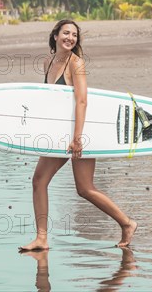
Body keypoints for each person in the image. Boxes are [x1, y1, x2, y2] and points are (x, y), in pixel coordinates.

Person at [19, 19, 137, 252]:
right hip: (60, 132)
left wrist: (77, 137)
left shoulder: (77, 64)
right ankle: (41, 238)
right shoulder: (48, 62)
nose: (70, 38)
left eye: (74, 35)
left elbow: (82, 100)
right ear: (55, 36)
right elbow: (51, 101)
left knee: (85, 188)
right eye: (66, 33)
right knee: (39, 181)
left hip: (81, 132)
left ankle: (127, 222)